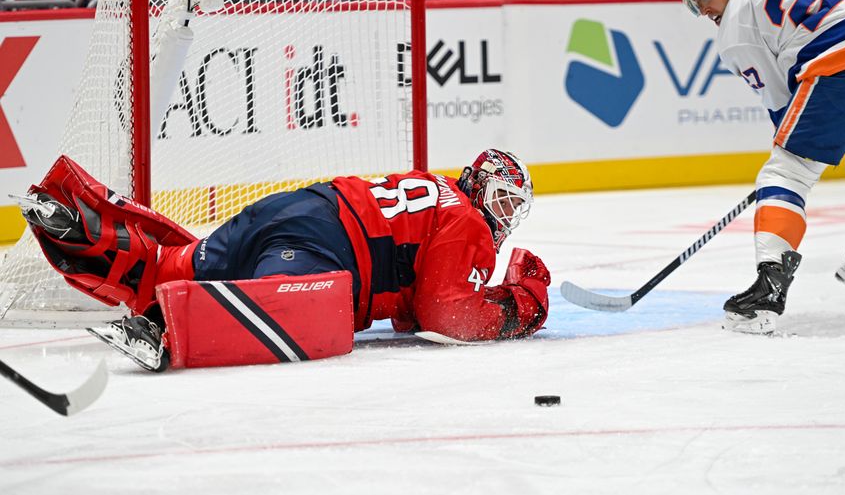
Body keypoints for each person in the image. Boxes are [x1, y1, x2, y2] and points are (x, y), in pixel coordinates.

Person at [20, 150, 550, 372]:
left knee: (169, 264)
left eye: (511, 206)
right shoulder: (468, 219)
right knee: (284, 315)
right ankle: (164, 331)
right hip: (326, 244)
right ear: (480, 187)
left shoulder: (439, 190)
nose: (504, 215)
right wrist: (520, 307)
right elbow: (446, 315)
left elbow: (417, 298)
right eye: (503, 199)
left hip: (293, 209)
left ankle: (73, 216)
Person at [677, 0, 845, 334]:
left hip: (842, 59)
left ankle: (767, 294)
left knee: (786, 173)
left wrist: (791, 152)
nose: (702, 10)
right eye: (693, 3)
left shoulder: (735, 29)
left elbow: (783, 105)